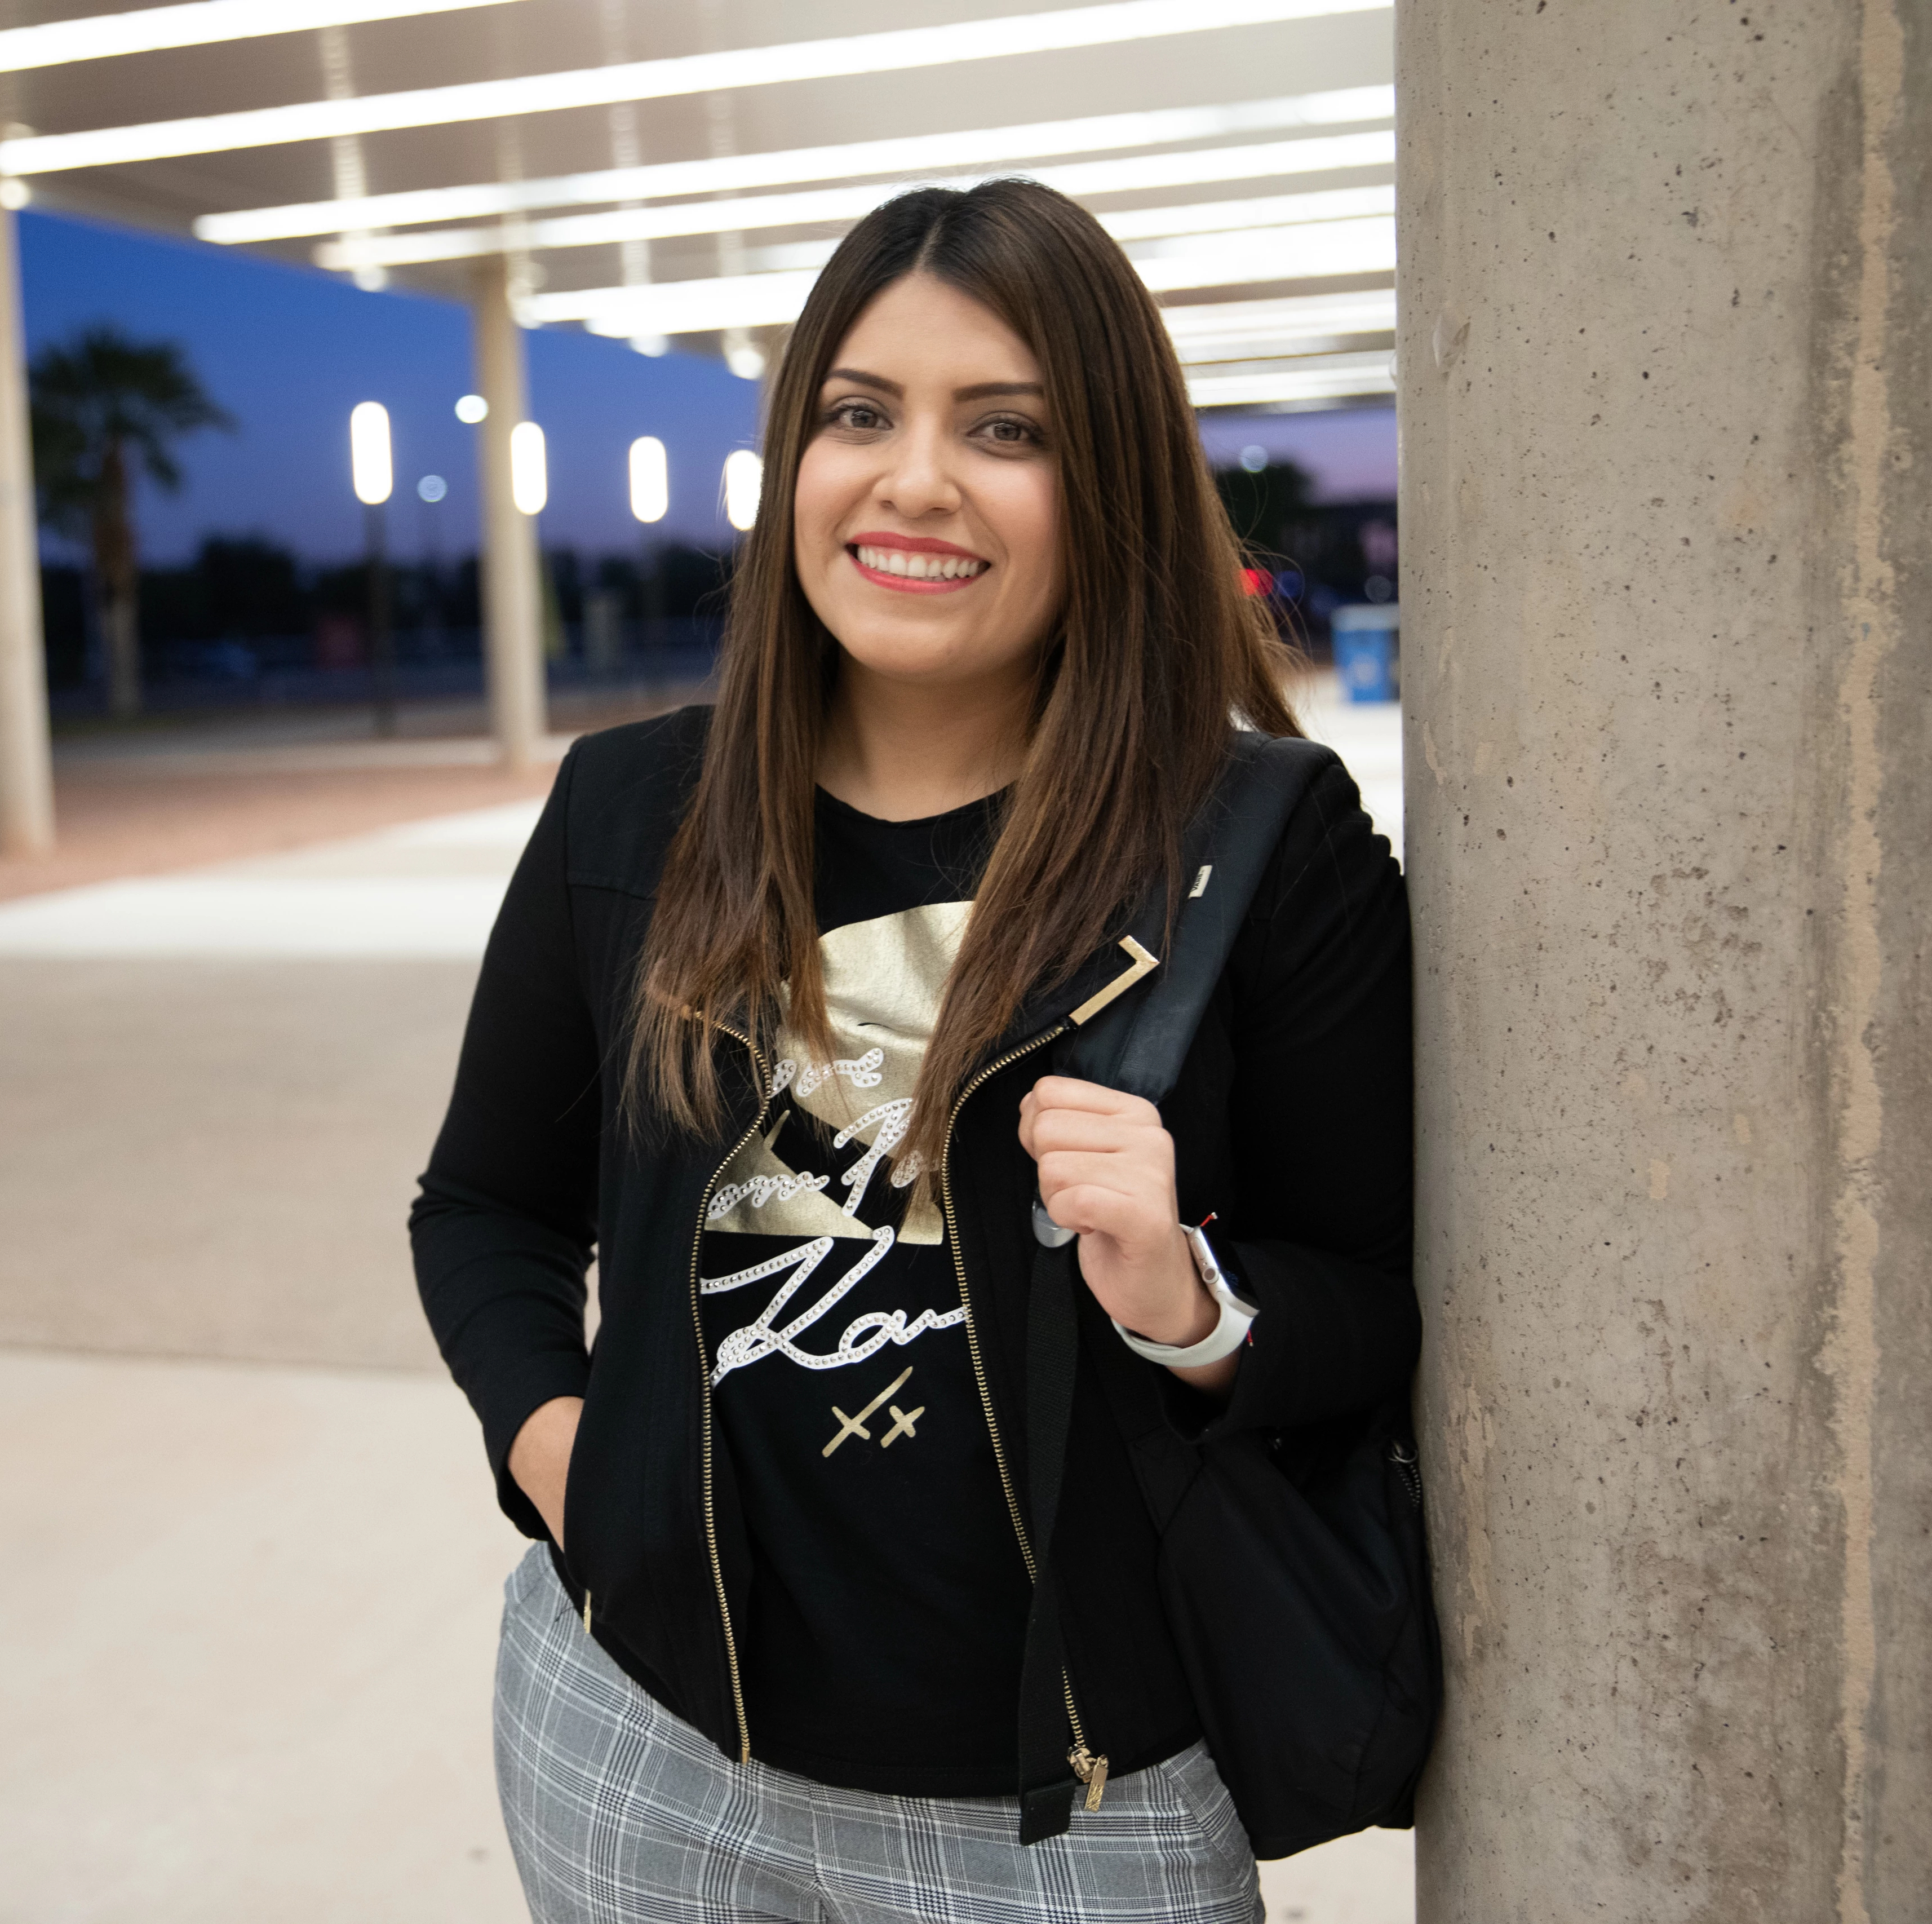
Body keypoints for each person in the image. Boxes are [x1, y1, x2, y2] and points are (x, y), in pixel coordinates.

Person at [411, 178, 1415, 1924]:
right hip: (636, 1749)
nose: (913, 478)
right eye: (856, 413)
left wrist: (1188, 1302)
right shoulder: (628, 809)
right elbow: (483, 1206)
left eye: (1003, 427)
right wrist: (556, 1449)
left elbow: (1373, 1302)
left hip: (1069, 1819)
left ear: (1099, 479)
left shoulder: (1253, 839)